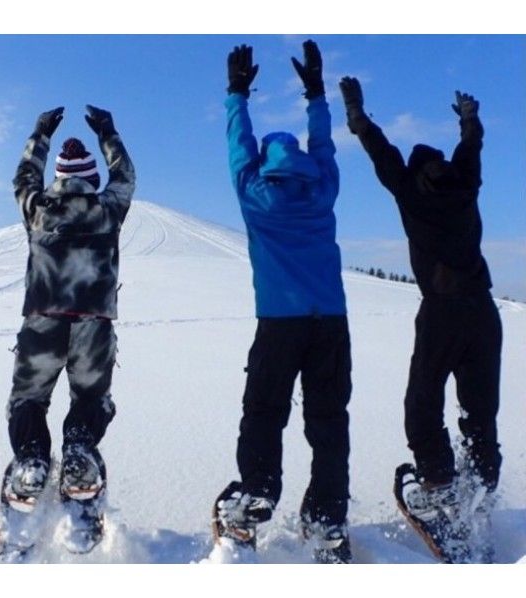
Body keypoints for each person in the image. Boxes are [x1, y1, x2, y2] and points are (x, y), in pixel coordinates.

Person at [339, 78, 501, 546]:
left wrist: (357, 113)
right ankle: (480, 492)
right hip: (484, 313)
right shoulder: (465, 183)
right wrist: (469, 119)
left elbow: (380, 151)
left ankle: (439, 481)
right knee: (480, 411)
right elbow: (471, 148)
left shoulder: (410, 189)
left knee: (423, 401)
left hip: (442, 312)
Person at [213, 40, 352, 563]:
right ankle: (328, 520)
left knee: (265, 411)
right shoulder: (323, 189)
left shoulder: (255, 191)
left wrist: (236, 94)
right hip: (330, 322)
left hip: (279, 323)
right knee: (329, 421)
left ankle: (257, 494)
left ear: (267, 162)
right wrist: (316, 93)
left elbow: (237, 146)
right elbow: (325, 147)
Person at [0, 104, 135, 540]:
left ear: (58, 176)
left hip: (42, 322)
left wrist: (39, 136)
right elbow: (125, 177)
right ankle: (78, 454)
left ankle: (32, 462)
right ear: (90, 177)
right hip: (93, 325)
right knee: (90, 400)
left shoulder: (38, 207)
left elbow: (22, 178)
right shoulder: (107, 209)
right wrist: (108, 133)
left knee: (28, 400)